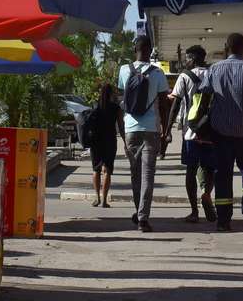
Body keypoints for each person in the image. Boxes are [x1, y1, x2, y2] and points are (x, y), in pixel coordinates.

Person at [198, 33, 243, 231]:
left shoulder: (214, 69)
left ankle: (223, 221)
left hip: (220, 132)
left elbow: (204, 95)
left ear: (227, 47)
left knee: (222, 175)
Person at [118, 36, 170, 232]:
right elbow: (164, 104)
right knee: (148, 175)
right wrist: (165, 129)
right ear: (150, 50)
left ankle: (138, 211)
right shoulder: (158, 73)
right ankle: (143, 217)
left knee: (135, 174)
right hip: (150, 129)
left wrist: (122, 131)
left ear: (135, 49)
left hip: (131, 128)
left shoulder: (124, 70)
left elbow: (122, 100)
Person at [165, 45, 214, 222]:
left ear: (193, 58)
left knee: (191, 170)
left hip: (190, 132)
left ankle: (194, 211)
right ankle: (207, 193)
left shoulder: (184, 76)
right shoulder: (212, 73)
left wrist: (167, 130)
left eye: (187, 58)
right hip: (209, 130)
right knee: (209, 168)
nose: (185, 61)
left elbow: (175, 105)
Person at [88, 82, 124, 208]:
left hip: (96, 141)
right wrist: (125, 142)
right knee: (107, 169)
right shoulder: (116, 107)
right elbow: (121, 126)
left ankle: (97, 198)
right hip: (110, 140)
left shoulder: (95, 106)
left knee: (96, 169)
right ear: (111, 93)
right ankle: (104, 200)